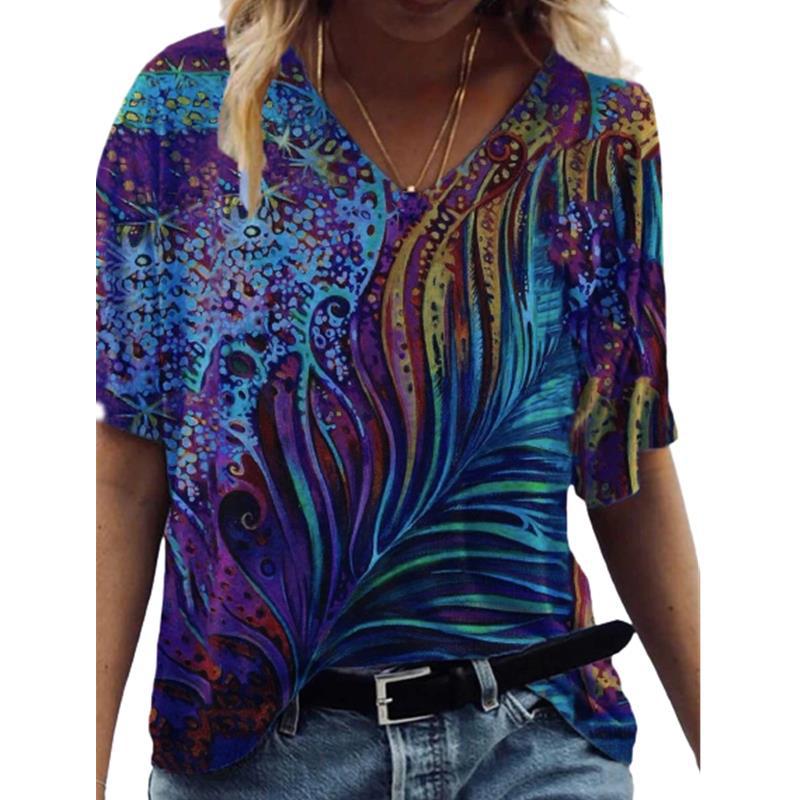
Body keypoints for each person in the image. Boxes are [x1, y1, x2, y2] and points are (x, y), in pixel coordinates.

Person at [96, 0, 700, 798]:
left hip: (533, 743)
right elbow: (129, 467)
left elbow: (627, 462)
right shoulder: (184, 108)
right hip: (258, 761)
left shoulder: (597, 132)